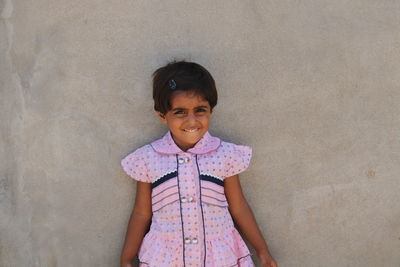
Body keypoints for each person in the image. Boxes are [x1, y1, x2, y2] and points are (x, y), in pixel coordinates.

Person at [120, 60, 277, 267]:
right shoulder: (148, 158)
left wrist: (262, 251)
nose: (192, 121)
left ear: (211, 110)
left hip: (218, 257)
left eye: (200, 110)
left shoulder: (224, 154)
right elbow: (142, 213)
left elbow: (238, 206)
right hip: (166, 259)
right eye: (180, 112)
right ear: (162, 116)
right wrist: (126, 258)